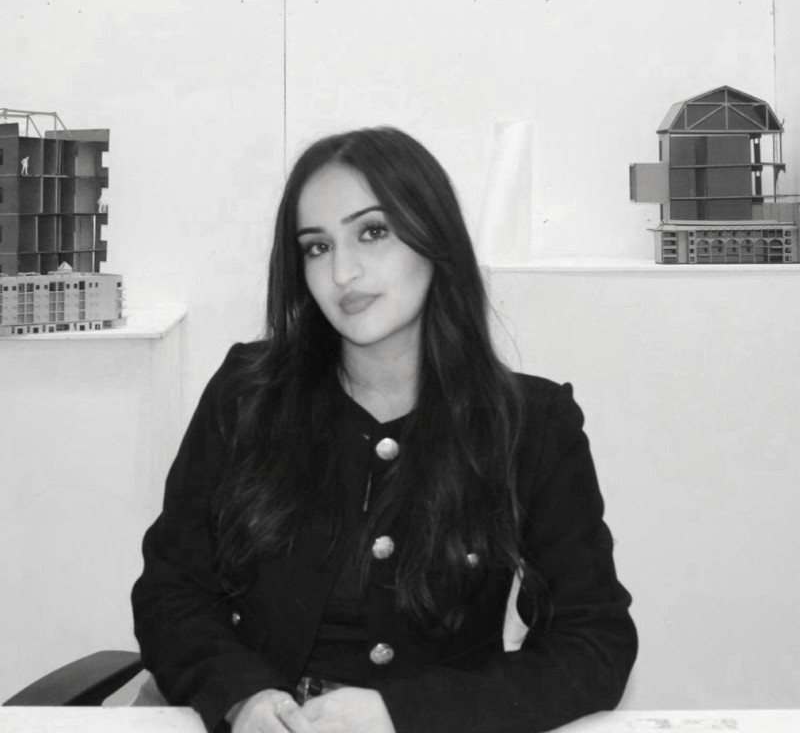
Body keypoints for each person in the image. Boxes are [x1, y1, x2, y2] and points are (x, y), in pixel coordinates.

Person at [132, 127, 637, 733]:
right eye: (317, 247)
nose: (342, 271)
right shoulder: (248, 393)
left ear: (434, 237)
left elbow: (595, 643)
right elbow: (170, 591)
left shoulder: (529, 422)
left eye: (372, 232)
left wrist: (404, 715)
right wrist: (243, 697)